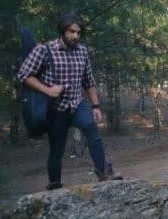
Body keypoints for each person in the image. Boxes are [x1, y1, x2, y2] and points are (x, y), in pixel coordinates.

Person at [17, 14, 122, 190]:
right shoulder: (44, 50)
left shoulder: (82, 51)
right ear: (63, 31)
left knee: (91, 130)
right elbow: (24, 75)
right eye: (72, 31)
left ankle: (105, 172)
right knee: (57, 149)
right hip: (55, 108)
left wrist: (95, 105)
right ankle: (55, 184)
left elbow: (88, 80)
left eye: (79, 32)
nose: (76, 36)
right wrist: (48, 90)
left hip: (76, 103)